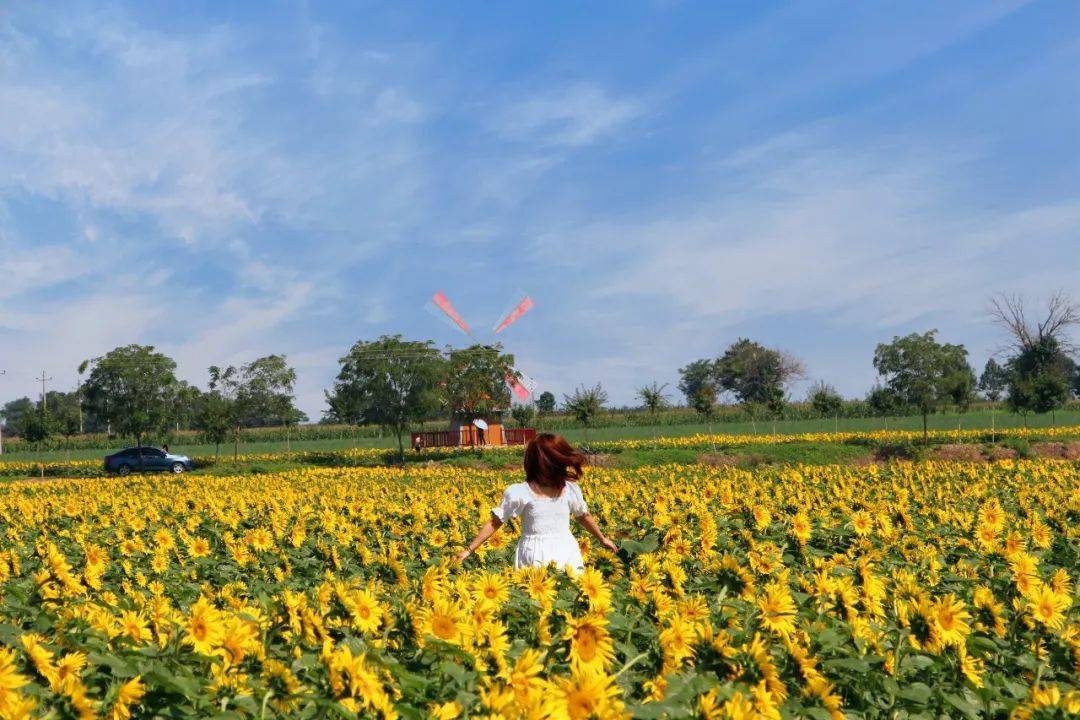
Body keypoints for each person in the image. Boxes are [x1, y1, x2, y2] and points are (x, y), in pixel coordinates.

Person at [456, 433, 617, 570]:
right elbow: (495, 522)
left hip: (565, 550)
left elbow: (584, 516)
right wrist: (469, 550)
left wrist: (602, 539)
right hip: (534, 554)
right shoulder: (519, 493)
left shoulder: (570, 489)